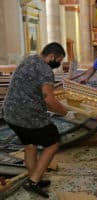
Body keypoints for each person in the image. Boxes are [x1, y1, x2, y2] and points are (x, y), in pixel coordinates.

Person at [3, 42, 73, 198]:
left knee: (30, 145)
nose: (59, 63)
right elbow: (49, 99)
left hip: (10, 113)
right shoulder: (45, 70)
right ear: (52, 56)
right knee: (53, 143)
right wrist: (66, 113)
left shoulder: (29, 60)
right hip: (28, 115)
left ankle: (34, 177)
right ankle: (33, 182)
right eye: (59, 60)